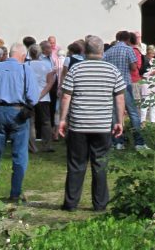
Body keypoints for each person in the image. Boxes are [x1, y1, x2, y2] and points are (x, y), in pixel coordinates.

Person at [58, 34, 126, 212]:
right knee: (100, 165)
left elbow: (66, 95)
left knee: (76, 165)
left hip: (79, 124)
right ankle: (100, 204)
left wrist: (62, 119)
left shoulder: (76, 69)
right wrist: (119, 121)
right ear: (102, 51)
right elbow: (119, 97)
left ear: (85, 51)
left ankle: (71, 203)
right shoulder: (112, 70)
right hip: (102, 125)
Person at [0, 41, 41, 203]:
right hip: (18, 112)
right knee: (20, 154)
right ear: (22, 56)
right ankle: (15, 192)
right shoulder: (25, 69)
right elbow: (34, 97)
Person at [103, 31, 148, 150]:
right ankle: (139, 142)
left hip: (112, 85)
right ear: (128, 39)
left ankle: (117, 142)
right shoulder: (129, 50)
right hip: (125, 85)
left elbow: (105, 67)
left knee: (114, 114)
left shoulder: (108, 51)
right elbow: (134, 67)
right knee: (133, 113)